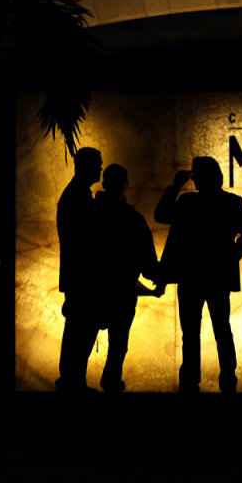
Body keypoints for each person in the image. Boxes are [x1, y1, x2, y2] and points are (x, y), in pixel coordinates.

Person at [154, 156, 242, 394]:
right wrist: (232, 254)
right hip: (217, 275)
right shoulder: (230, 203)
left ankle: (191, 381)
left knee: (192, 332)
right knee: (221, 329)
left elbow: (161, 214)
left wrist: (175, 186)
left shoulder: (187, 202)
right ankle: (227, 379)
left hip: (191, 275)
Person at [93, 164, 162, 394]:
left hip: (93, 288)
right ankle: (111, 383)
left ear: (104, 184)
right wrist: (157, 278)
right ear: (127, 184)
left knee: (84, 341)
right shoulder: (132, 218)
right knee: (118, 343)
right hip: (123, 290)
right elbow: (147, 257)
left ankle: (76, 390)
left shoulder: (90, 213)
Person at [55, 147, 104, 395]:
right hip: (82, 276)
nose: (100, 168)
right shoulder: (78, 196)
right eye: (97, 164)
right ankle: (72, 382)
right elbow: (86, 238)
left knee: (80, 329)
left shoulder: (76, 194)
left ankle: (74, 381)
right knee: (80, 330)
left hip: (78, 275)